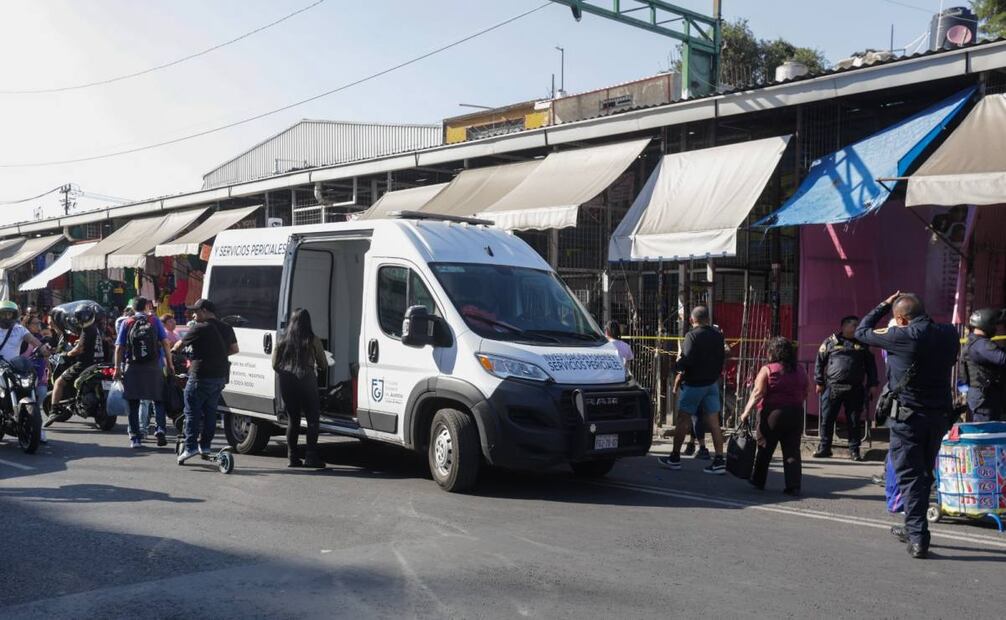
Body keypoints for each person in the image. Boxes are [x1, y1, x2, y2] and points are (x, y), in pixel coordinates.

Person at [855, 292, 958, 559]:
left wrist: (883, 304)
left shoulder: (901, 336)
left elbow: (861, 331)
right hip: (938, 417)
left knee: (911, 477)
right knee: (924, 473)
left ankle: (918, 536)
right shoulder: (949, 334)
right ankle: (912, 526)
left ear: (901, 319)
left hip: (908, 420)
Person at [658, 306, 727, 474]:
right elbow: (722, 357)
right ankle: (719, 459)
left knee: (683, 419)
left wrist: (677, 366)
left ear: (691, 320)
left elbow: (686, 360)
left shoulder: (691, 336)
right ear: (708, 318)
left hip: (694, 385)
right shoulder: (718, 336)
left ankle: (675, 457)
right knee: (714, 423)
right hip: (712, 384)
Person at [740, 337, 808, 495]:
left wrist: (746, 412)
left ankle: (758, 480)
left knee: (765, 447)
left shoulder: (768, 369)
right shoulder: (801, 369)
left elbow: (757, 393)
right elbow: (806, 391)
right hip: (796, 412)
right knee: (792, 450)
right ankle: (793, 485)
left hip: (773, 413)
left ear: (773, 352)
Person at [173, 298, 238, 464]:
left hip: (200, 375)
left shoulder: (199, 327)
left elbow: (179, 346)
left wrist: (172, 351)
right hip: (220, 376)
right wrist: (218, 355)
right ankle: (206, 446)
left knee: (192, 412)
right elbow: (234, 349)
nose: (193, 315)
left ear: (204, 311)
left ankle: (190, 447)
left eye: (195, 312)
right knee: (210, 412)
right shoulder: (227, 327)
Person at [814, 315, 879, 461]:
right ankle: (824, 448)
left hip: (854, 388)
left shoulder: (862, 343)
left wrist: (873, 384)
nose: (856, 328)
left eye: (857, 325)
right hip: (833, 387)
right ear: (844, 327)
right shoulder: (831, 342)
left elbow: (871, 366)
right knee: (827, 419)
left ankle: (854, 451)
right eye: (853, 325)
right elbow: (820, 362)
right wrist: (819, 382)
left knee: (854, 421)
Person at [114, 297, 174, 449]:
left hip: (133, 367)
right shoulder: (154, 320)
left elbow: (119, 347)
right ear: (147, 306)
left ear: (133, 308)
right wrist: (170, 364)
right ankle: (160, 429)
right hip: (154, 366)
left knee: (133, 402)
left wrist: (117, 368)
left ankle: (136, 438)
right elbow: (165, 343)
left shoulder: (127, 322)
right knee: (158, 399)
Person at [272, 308, 328, 468]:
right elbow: (323, 364)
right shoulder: (313, 339)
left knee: (293, 419)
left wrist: (286, 373)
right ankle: (311, 457)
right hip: (306, 379)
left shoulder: (282, 339)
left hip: (286, 380)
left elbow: (274, 364)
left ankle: (292, 457)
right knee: (312, 419)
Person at [44, 306, 99, 428]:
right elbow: (86, 344)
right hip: (99, 362)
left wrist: (67, 354)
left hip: (84, 364)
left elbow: (79, 350)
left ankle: (53, 411)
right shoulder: (96, 328)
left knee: (58, 382)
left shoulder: (86, 330)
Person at [961, 307, 1006, 422]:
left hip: (983, 397)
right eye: (994, 325)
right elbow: (1002, 358)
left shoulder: (975, 342)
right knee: (987, 430)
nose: (995, 328)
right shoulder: (982, 345)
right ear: (987, 325)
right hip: (985, 399)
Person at [22, 314, 50, 443]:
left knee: (40, 397)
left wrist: (48, 367)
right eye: (35, 323)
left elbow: (46, 356)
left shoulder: (40, 339)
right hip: (24, 376)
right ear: (27, 325)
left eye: (39, 323)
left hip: (39, 376)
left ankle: (39, 429)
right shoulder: (22, 339)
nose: (38, 326)